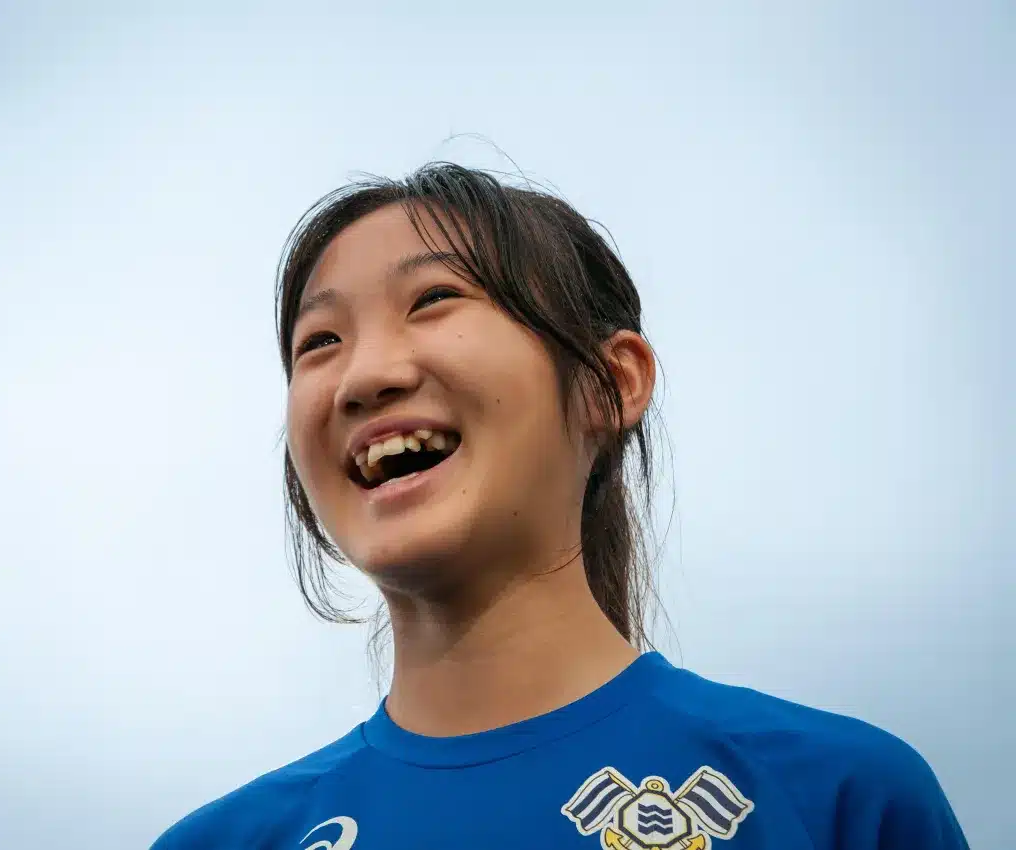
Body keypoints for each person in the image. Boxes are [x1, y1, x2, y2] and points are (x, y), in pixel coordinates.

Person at [152, 163, 969, 849]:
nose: (364, 378)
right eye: (320, 343)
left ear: (611, 384)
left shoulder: (839, 800)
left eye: (433, 299)